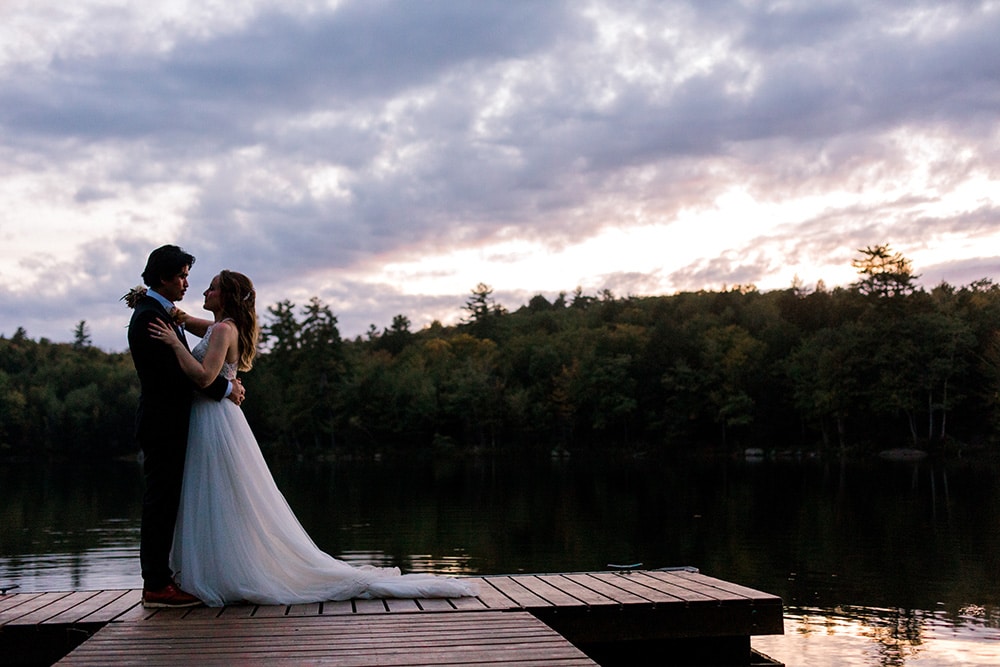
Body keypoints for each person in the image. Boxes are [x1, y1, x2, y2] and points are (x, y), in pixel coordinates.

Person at [147, 270, 476, 606]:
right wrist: (172, 314)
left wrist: (174, 343)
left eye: (212, 288)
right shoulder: (223, 327)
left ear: (226, 296)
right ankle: (221, 569)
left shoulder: (222, 330)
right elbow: (195, 325)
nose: (204, 290)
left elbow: (204, 377)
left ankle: (225, 572)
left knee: (219, 496)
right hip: (218, 418)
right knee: (222, 497)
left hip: (213, 419)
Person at [126, 245, 246, 609]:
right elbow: (179, 379)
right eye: (181, 276)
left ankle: (170, 578)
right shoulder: (150, 318)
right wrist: (228, 388)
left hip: (178, 422)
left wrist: (229, 378)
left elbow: (218, 332)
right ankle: (157, 585)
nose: (187, 283)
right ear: (163, 278)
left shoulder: (163, 313)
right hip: (164, 423)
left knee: (173, 501)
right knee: (161, 501)